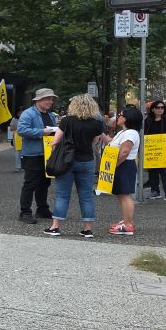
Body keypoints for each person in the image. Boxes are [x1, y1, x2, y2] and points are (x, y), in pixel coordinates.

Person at [43, 95, 106, 239]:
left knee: (63, 195)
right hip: (87, 161)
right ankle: (87, 229)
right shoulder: (97, 124)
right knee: (86, 196)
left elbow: (55, 141)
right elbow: (95, 142)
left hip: (67, 161)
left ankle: (55, 227)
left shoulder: (67, 121)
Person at [16, 88, 59, 223]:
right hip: (33, 154)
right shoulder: (28, 114)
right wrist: (42, 132)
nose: (50, 101)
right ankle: (25, 212)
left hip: (47, 154)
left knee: (45, 183)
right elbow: (21, 130)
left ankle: (42, 209)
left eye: (51, 99)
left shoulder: (51, 115)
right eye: (47, 99)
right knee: (30, 183)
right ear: (38, 100)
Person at [109, 106, 143, 236]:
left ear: (128, 119)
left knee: (125, 195)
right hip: (121, 165)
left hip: (124, 165)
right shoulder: (124, 132)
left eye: (121, 115)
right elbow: (111, 143)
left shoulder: (130, 133)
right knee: (121, 194)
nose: (119, 117)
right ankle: (126, 220)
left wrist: (114, 165)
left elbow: (124, 152)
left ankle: (128, 225)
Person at [144, 99, 166, 202]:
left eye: (162, 107)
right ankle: (155, 191)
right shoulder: (148, 121)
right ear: (153, 109)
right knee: (153, 169)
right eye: (158, 108)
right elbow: (145, 134)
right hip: (152, 149)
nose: (160, 109)